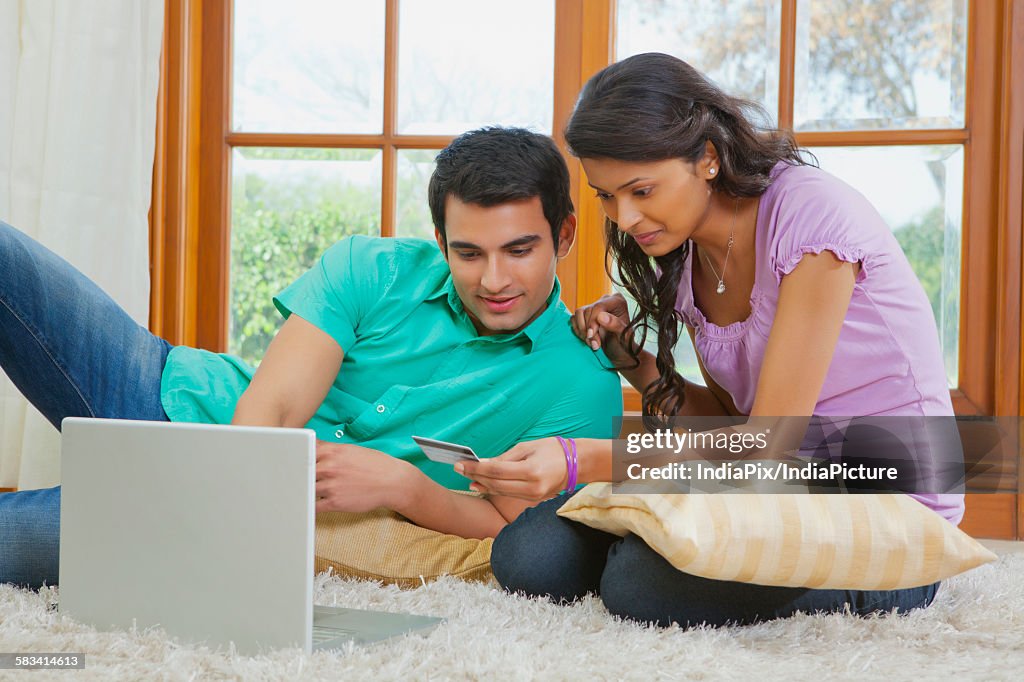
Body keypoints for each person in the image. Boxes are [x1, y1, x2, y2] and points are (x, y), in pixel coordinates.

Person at [458, 53, 962, 628]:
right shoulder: (688, 255)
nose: (624, 217)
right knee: (530, 556)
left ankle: (673, 562)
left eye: (642, 190)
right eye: (606, 195)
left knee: (641, 584)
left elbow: (766, 447)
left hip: (884, 506)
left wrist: (583, 461)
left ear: (709, 158)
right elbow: (729, 426)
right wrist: (629, 357)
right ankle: (670, 556)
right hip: (770, 489)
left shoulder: (811, 219)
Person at [0, 126, 623, 588]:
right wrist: (220, 501)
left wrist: (406, 487)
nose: (493, 279)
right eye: (468, 253)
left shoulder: (580, 382)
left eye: (519, 250)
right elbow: (271, 406)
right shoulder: (370, 268)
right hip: (168, 392)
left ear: (563, 236)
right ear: (440, 241)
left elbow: (509, 528)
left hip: (202, 509)